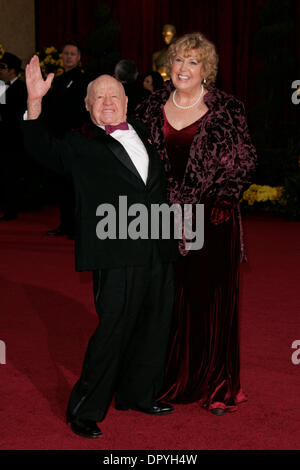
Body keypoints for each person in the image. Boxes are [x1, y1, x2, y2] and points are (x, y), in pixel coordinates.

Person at [21, 55, 176, 438]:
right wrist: (35, 103)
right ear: (88, 107)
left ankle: (138, 394)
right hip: (116, 252)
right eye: (99, 97)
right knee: (113, 329)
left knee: (155, 323)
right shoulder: (79, 144)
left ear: (126, 102)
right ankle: (85, 409)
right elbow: (40, 149)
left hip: (158, 246)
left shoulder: (143, 129)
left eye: (114, 96)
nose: (108, 102)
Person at [135, 32, 257, 415]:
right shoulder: (149, 107)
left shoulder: (227, 109)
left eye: (193, 61)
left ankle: (218, 385)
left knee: (209, 303)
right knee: (165, 304)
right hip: (162, 220)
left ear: (207, 69)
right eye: (178, 60)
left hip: (212, 219)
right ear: (168, 66)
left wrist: (219, 199)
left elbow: (246, 159)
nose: (183, 68)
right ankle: (165, 378)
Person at [42, 41, 89, 238]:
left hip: (75, 137)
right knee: (62, 183)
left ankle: (78, 226)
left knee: (75, 184)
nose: (68, 57)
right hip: (59, 137)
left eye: (72, 54)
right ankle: (65, 223)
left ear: (79, 58)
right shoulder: (59, 80)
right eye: (66, 53)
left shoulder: (83, 80)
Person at [0, 52, 27, 221]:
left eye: (3, 67)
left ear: (13, 71)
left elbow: (17, 115)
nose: (0, 70)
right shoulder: (1, 86)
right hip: (3, 138)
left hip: (15, 139)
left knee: (12, 174)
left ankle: (12, 208)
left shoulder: (21, 88)